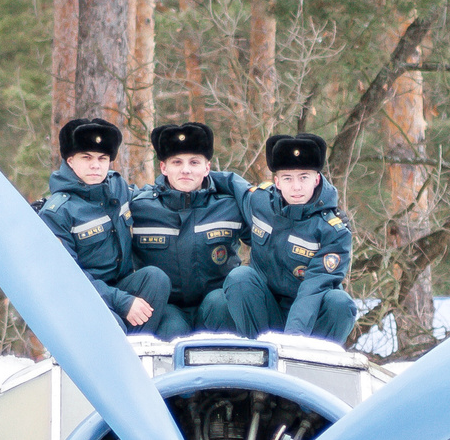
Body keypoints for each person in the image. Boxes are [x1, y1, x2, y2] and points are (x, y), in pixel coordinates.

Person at [41, 116, 173, 334]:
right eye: (87, 157)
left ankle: (138, 353)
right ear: (70, 161)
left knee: (155, 278)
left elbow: (148, 197)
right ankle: (124, 361)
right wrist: (122, 302)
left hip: (119, 286)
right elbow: (68, 278)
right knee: (114, 327)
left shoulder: (116, 185)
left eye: (102, 158)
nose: (96, 165)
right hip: (81, 298)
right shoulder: (57, 212)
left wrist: (192, 184)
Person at [222, 133, 356, 343]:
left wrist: (292, 341)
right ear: (276, 181)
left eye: (304, 177)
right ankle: (261, 356)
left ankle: (315, 365)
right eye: (287, 178)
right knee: (240, 278)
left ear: (316, 179)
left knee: (340, 303)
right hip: (266, 311)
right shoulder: (259, 202)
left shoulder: (333, 231)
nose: (296, 187)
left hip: (310, 321)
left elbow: (313, 288)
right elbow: (230, 182)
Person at [127, 122, 253, 337]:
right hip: (168, 307)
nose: (186, 169)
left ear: (207, 167)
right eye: (177, 162)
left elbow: (267, 243)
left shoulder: (230, 206)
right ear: (163, 167)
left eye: (194, 162)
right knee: (171, 331)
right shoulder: (139, 207)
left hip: (216, 306)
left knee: (221, 305)